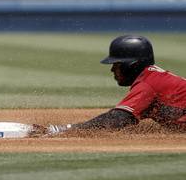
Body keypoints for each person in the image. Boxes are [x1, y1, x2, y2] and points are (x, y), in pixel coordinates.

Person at [44, 34, 186, 135]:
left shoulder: (148, 84)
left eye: (117, 64)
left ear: (132, 65)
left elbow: (117, 119)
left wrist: (62, 129)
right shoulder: (153, 77)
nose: (112, 69)